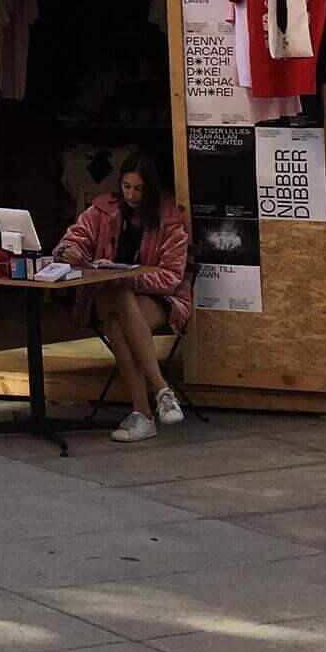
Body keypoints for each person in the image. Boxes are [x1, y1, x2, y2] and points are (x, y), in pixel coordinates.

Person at [54, 151, 191, 442]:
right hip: (106, 294)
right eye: (127, 187)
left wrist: (129, 276)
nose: (131, 195)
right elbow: (70, 239)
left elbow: (171, 277)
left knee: (119, 316)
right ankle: (162, 390)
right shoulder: (103, 210)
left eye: (139, 189)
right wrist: (68, 251)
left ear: (151, 189)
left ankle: (142, 414)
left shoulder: (169, 221)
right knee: (118, 292)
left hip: (154, 297)